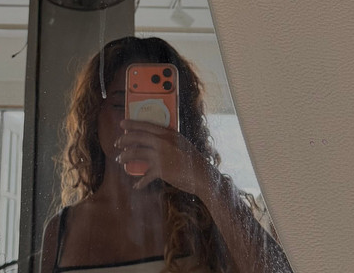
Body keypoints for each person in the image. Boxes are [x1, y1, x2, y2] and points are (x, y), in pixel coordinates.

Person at [38, 36, 290, 273]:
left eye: (153, 105)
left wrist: (203, 177)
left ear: (179, 118)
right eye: (120, 104)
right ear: (93, 117)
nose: (137, 119)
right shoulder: (60, 231)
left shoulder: (208, 217)